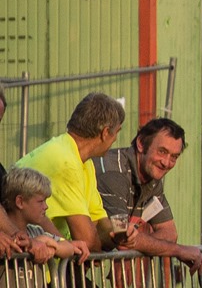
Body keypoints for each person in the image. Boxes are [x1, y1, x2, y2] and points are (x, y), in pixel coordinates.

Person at [13, 91, 124, 251]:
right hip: (26, 260)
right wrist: (110, 243)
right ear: (106, 132)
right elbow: (87, 241)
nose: (116, 139)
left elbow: (99, 221)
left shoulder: (83, 161)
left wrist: (122, 233)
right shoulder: (66, 162)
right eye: (117, 132)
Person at [94, 117, 202, 271]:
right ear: (141, 143)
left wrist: (134, 247)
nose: (166, 162)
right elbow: (121, 235)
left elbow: (169, 233)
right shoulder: (115, 173)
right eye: (162, 151)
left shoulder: (152, 179)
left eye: (174, 157)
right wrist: (178, 250)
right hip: (64, 255)